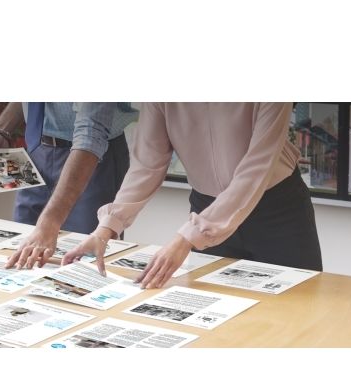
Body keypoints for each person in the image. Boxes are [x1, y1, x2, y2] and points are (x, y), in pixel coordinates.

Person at [63, 103, 322, 289]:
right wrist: (106, 228)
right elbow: (147, 164)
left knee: (299, 308)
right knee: (218, 314)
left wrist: (187, 237)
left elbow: (256, 168)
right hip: (206, 208)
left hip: (277, 211)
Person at [0, 102, 137, 269]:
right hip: (37, 150)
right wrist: (2, 130)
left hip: (90, 158)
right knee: (22, 255)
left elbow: (90, 133)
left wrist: (49, 222)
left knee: (83, 262)